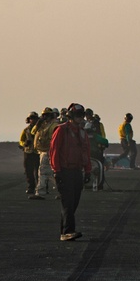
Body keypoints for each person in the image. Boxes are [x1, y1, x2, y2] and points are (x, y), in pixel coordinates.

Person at [50, 103, 91, 241]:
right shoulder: (61, 130)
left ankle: (65, 231)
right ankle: (68, 231)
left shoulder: (82, 132)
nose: (80, 118)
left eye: (81, 116)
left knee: (73, 203)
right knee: (68, 202)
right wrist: (57, 171)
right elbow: (54, 151)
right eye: (77, 115)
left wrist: (88, 170)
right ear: (71, 116)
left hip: (77, 171)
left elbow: (86, 152)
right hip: (65, 171)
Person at [30, 107, 58, 200]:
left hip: (48, 151)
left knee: (43, 172)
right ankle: (61, 191)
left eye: (47, 115)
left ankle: (40, 192)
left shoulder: (54, 125)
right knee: (49, 173)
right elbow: (33, 132)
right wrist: (38, 124)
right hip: (43, 151)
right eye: (43, 115)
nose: (45, 117)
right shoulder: (42, 125)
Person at [19, 111, 40, 196]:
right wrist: (24, 144)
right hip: (28, 152)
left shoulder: (40, 129)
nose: (33, 120)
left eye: (34, 118)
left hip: (38, 152)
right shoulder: (26, 130)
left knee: (38, 171)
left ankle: (39, 187)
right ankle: (31, 187)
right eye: (31, 118)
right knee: (28, 171)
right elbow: (21, 140)